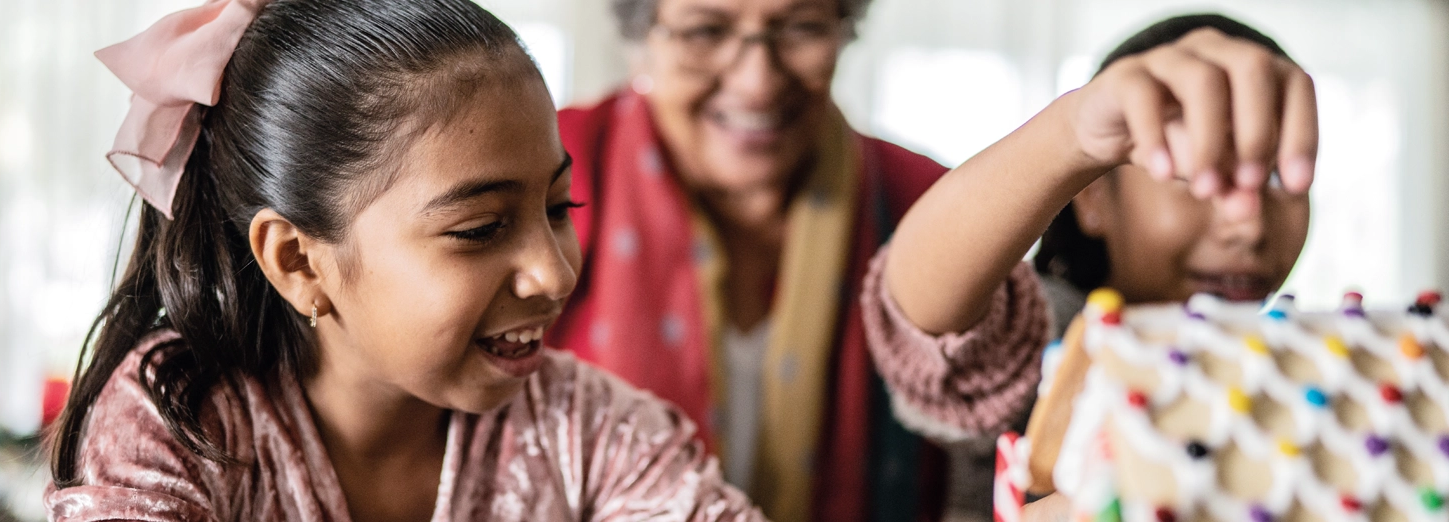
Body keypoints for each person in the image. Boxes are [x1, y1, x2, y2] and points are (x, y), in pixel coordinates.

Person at [553, 1, 1315, 522]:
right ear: (640, 29)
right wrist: (1077, 129)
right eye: (704, 30)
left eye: (802, 26)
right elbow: (925, 310)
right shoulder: (545, 177)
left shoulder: (917, 191)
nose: (756, 76)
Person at [43, 1, 765, 520]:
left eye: (558, 209)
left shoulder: (591, 430)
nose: (554, 274)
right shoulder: (176, 420)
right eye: (481, 229)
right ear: (298, 261)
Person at [1035, 13, 1310, 337]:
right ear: (1092, 196)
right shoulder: (1023, 344)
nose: (1251, 230)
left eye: (1278, 177)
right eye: (1196, 173)